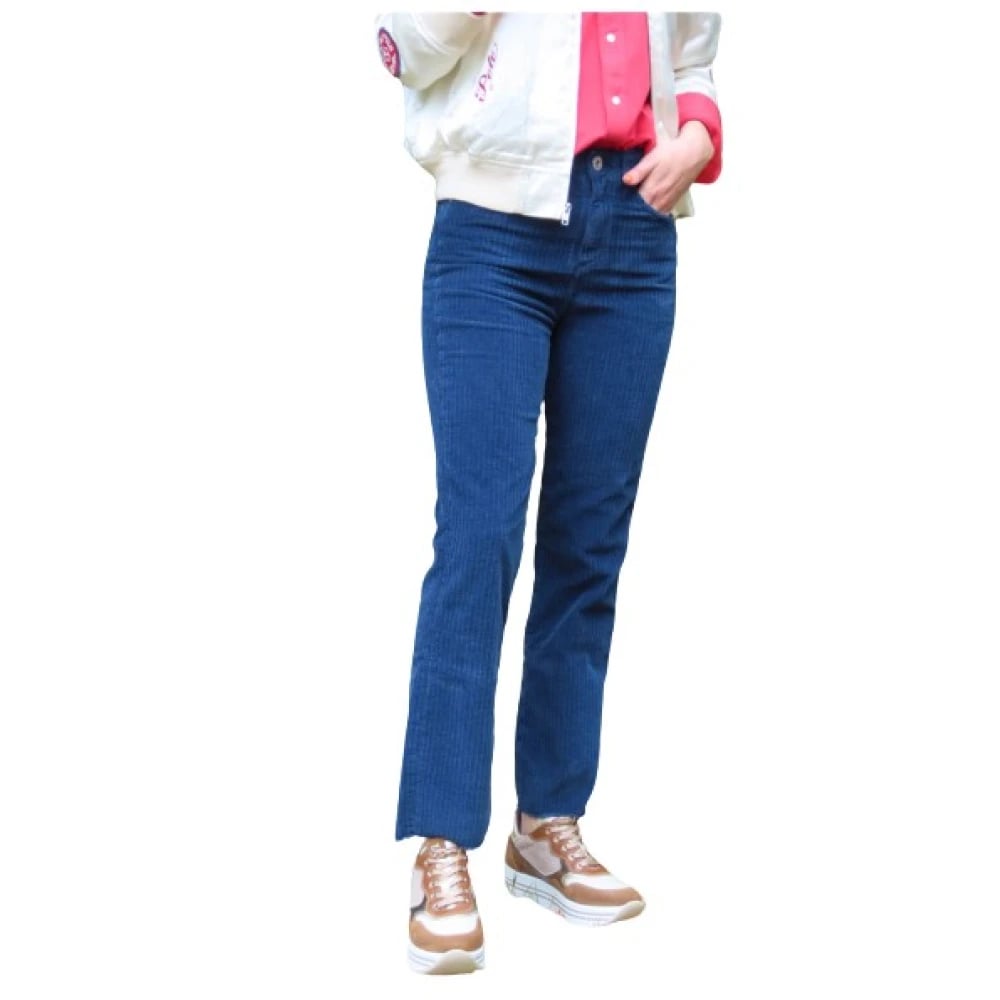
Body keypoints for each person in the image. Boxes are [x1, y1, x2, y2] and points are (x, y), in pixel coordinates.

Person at [374, 11, 723, 975]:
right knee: (479, 537)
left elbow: (694, 55)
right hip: (492, 237)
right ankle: (442, 844)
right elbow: (403, 49)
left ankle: (546, 826)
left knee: (588, 544)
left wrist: (697, 136)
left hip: (635, 234)